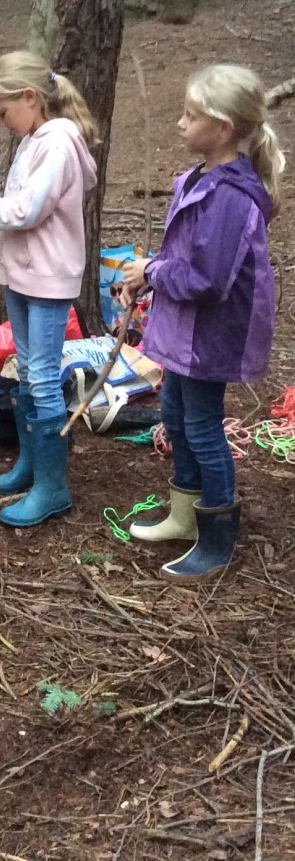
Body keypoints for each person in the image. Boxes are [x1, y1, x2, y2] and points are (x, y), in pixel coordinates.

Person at [121, 64, 283, 583]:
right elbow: (186, 257)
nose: (180, 124)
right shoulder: (201, 178)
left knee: (203, 426)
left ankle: (216, 537)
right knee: (174, 412)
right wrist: (149, 276)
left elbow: (210, 281)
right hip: (184, 327)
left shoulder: (231, 196)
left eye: (191, 116)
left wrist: (151, 271)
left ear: (224, 128)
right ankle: (184, 513)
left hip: (212, 332)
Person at [0, 51, 98, 528]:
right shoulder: (34, 140)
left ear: (30, 97)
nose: (2, 121)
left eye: (3, 111)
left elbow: (28, 211)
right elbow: (17, 204)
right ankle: (31, 465)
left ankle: (52, 487)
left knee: (44, 377)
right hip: (22, 274)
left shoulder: (59, 143)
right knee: (29, 371)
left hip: (48, 278)